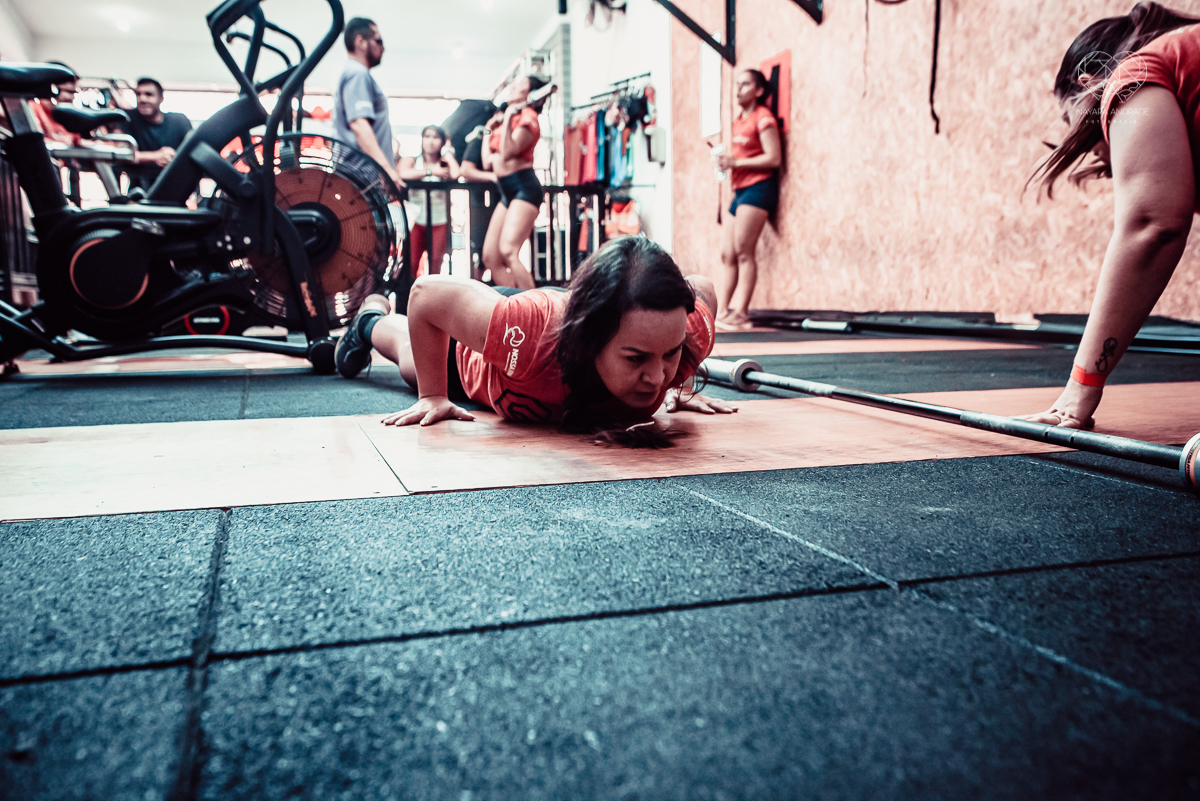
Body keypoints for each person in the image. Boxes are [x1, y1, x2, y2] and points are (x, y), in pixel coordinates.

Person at [333, 236, 736, 445]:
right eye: (635, 359)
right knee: (411, 358)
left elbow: (703, 287)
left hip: (554, 321)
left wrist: (682, 383)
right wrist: (433, 395)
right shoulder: (525, 334)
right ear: (591, 339)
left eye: (671, 354)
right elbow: (426, 294)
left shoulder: (687, 331)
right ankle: (370, 318)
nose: (655, 377)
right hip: (504, 350)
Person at [1026, 2, 1200, 429]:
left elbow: (1152, 227)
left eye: (1077, 124)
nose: (1098, 148)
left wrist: (1078, 391)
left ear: (1090, 85)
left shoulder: (1130, 77)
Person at [714, 69, 781, 332]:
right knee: (726, 253)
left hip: (759, 188)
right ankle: (722, 313)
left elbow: (774, 158)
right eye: (737, 84)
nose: (738, 89)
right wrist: (726, 163)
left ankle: (742, 314)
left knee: (744, 250)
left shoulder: (763, 118)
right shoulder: (738, 121)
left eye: (745, 84)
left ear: (759, 90)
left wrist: (737, 162)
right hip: (739, 190)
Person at [481, 76, 550, 289]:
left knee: (509, 251)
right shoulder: (503, 119)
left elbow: (508, 152)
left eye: (521, 84)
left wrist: (510, 117)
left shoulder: (528, 118)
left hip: (524, 187)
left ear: (531, 95)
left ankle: (534, 309)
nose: (514, 86)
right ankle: (516, 305)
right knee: (490, 257)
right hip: (506, 189)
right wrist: (488, 129)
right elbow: (487, 162)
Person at [333, 17, 402, 188]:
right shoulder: (357, 73)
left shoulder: (354, 73)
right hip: (362, 178)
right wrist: (387, 171)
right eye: (379, 40)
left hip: (362, 178)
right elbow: (359, 124)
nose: (383, 48)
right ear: (361, 42)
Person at [399, 125, 459, 276]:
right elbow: (402, 173)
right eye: (427, 136)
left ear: (442, 142)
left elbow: (457, 173)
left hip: (439, 220)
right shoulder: (412, 161)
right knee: (411, 263)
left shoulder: (445, 162)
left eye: (435, 137)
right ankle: (410, 297)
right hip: (415, 220)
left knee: (435, 265)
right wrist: (430, 172)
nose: (430, 141)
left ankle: (432, 298)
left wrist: (449, 153)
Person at [120, 77, 193, 191]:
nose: (142, 99)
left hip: (175, 189)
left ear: (161, 98)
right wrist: (156, 156)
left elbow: (192, 151)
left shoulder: (179, 122)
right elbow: (121, 154)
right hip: (139, 190)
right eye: (138, 94)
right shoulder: (127, 119)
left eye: (149, 94)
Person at [457, 109, 501, 281]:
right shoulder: (480, 140)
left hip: (499, 203)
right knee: (482, 255)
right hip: (481, 205)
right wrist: (493, 177)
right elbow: (465, 170)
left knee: (498, 254)